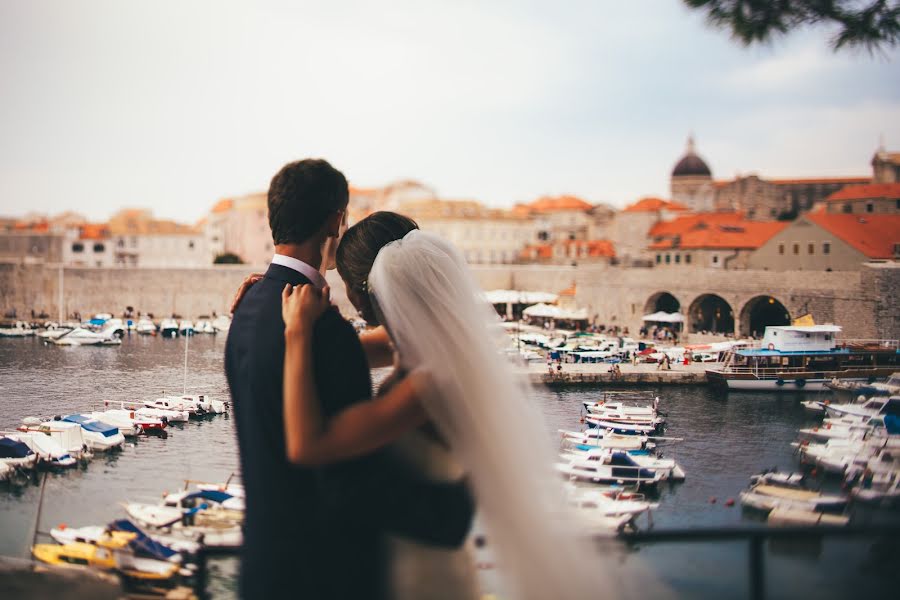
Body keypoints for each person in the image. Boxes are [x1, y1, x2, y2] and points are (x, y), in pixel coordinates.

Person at [274, 211, 605, 599]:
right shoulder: (423, 346)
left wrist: (296, 331)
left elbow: (308, 446)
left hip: (418, 576)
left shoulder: (432, 382)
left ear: (363, 294)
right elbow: (346, 352)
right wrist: (276, 300)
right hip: (419, 557)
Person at [225, 161, 474, 600]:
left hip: (265, 565)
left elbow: (313, 447)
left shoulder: (251, 309)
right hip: (329, 574)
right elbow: (347, 480)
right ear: (337, 219)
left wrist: (295, 326)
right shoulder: (338, 334)